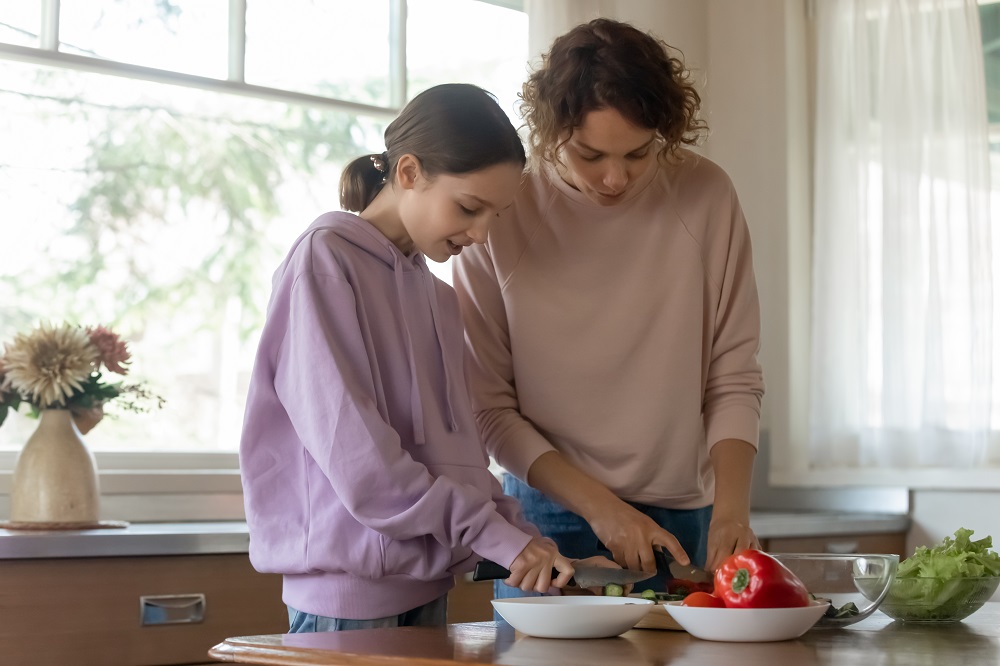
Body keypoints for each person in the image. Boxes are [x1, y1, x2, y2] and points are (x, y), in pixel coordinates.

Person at [240, 83, 601, 633]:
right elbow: (361, 461)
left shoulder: (438, 298)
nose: (481, 234)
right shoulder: (324, 263)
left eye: (494, 216)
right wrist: (495, 536)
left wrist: (536, 549)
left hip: (428, 591)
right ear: (408, 172)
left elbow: (462, 463)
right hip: (346, 602)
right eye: (469, 207)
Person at [453, 19, 765, 600]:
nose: (615, 178)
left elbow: (734, 377)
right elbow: (489, 408)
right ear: (550, 134)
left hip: (687, 514)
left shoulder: (707, 196)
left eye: (640, 154)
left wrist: (732, 510)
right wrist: (604, 510)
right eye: (589, 154)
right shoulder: (502, 212)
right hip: (549, 513)